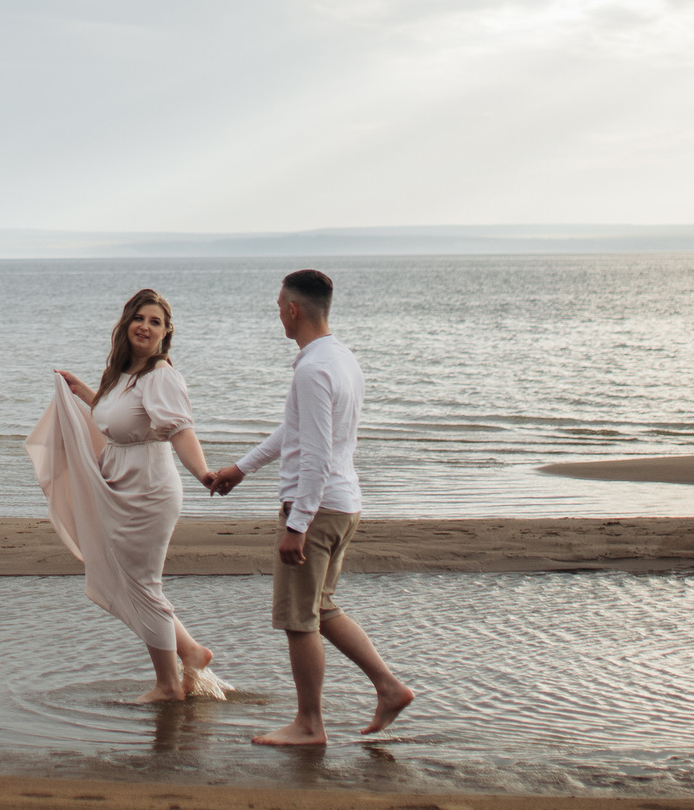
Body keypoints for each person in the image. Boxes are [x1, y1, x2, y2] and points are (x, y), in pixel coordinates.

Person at [205, 268, 415, 745]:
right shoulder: (340, 359)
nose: (278, 314)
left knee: (298, 620)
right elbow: (297, 432)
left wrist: (296, 524)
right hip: (344, 506)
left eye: (280, 307)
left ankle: (309, 725)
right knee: (319, 608)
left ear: (293, 310)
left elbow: (317, 454)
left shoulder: (313, 368)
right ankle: (389, 688)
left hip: (317, 511)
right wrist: (242, 467)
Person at [26, 288, 230, 703]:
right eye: (140, 317)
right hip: (119, 481)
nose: (146, 326)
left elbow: (178, 428)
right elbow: (113, 418)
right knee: (133, 580)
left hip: (149, 487)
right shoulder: (120, 376)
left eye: (155, 321)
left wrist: (203, 472)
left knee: (143, 583)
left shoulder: (161, 376)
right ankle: (190, 651)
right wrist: (84, 393)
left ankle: (169, 685)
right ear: (126, 323)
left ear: (165, 333)